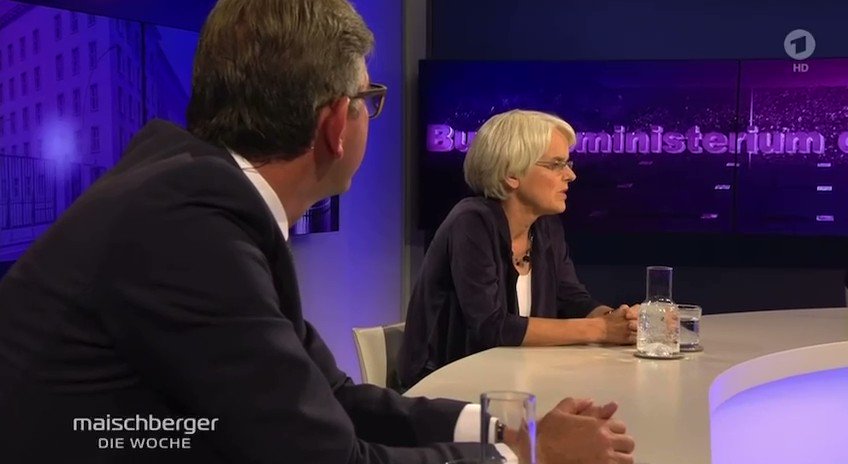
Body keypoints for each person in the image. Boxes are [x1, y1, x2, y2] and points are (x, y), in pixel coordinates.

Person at [0, 2, 635, 463]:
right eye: (370, 98)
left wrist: (501, 428)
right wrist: (525, 457)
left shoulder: (197, 196)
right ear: (337, 123)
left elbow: (329, 398)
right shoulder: (189, 225)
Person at [399, 110, 640, 388]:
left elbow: (572, 300)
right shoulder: (471, 222)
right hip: (444, 387)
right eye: (556, 164)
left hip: (514, 380)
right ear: (511, 174)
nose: (570, 175)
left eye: (568, 163)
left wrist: (621, 321)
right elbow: (490, 327)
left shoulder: (545, 227)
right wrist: (601, 330)